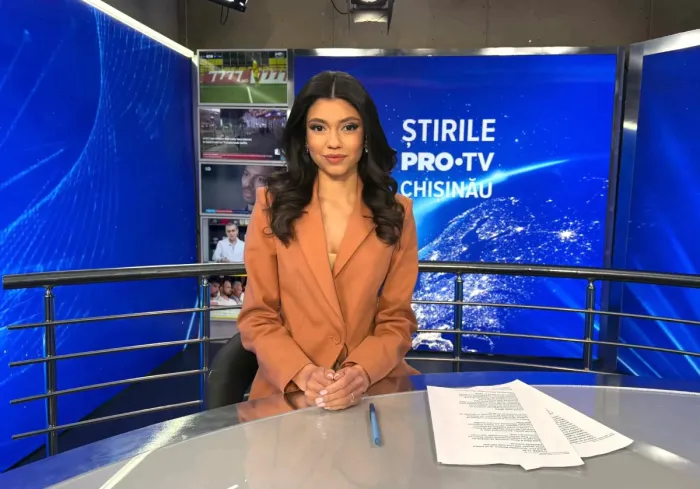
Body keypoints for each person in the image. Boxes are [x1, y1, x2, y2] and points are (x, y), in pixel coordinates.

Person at [238, 71, 420, 411]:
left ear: (366, 134)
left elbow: (397, 319)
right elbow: (258, 316)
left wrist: (362, 371)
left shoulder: (397, 212)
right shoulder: (271, 206)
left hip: (372, 385)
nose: (333, 142)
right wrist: (302, 372)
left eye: (348, 127)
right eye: (319, 127)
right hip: (290, 388)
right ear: (304, 137)